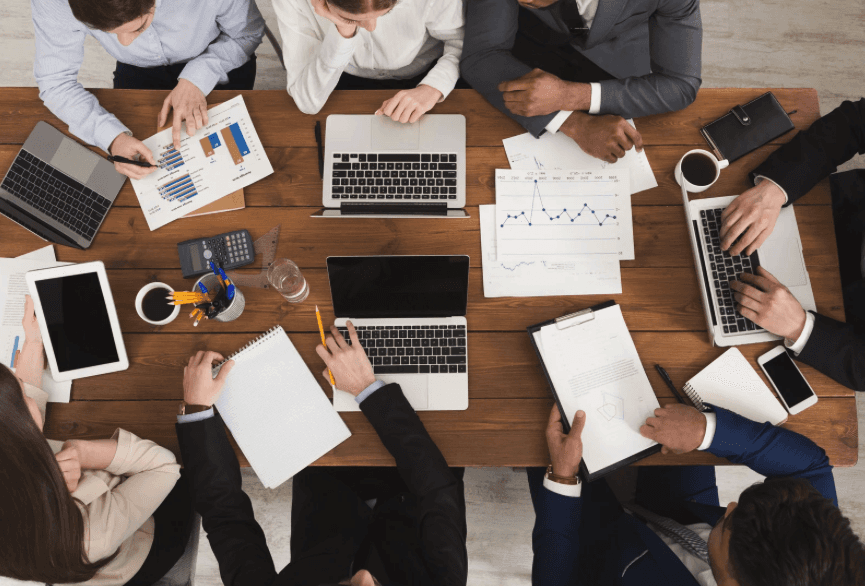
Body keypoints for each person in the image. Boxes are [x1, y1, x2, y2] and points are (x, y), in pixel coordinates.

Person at [175, 320, 468, 585]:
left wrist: (197, 410)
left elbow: (224, 515)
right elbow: (438, 491)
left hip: (324, 473)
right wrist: (367, 389)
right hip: (414, 482)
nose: (364, 577)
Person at [529, 402, 865, 585]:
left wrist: (562, 479)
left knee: (534, 428)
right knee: (661, 403)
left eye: (728, 526)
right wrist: (706, 432)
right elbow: (810, 468)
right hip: (682, 511)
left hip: (599, 555)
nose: (729, 505)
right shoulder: (827, 562)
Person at [0, 296, 193, 586]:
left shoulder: (10, 463)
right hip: (143, 543)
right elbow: (164, 467)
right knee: (190, 472)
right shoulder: (89, 535)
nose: (25, 389)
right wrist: (83, 452)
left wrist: (34, 342)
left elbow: (18, 408)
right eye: (22, 398)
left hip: (90, 519)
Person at [719, 98, 865, 392]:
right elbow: (854, 122)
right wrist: (776, 186)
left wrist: (801, 328)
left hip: (844, 318)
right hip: (838, 209)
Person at [32, 0, 265, 179]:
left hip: (219, 56)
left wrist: (197, 77)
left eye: (139, 26)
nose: (124, 44)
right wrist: (111, 138)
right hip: (137, 70)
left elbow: (247, 33)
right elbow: (55, 82)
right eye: (107, 33)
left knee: (234, 166)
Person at [461, 0, 702, 163]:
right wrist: (574, 123)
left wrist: (570, 95)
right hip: (526, 40)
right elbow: (483, 55)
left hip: (619, 59)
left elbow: (680, 84)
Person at [271, 0, 464, 122]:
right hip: (340, 79)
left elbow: (459, 42)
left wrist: (434, 87)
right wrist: (343, 30)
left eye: (386, 13)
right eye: (351, 18)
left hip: (426, 75)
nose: (371, 28)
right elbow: (308, 102)